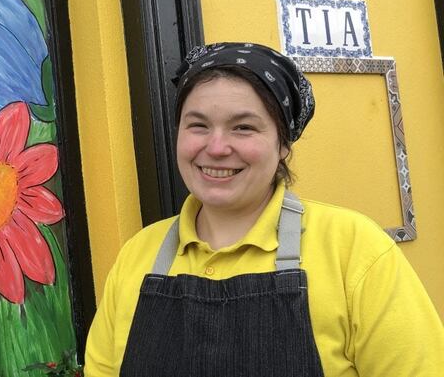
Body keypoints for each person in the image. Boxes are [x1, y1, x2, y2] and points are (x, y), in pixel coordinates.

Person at [83, 42, 444, 376]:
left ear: (283, 143)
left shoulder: (353, 249)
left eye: (243, 127)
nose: (217, 147)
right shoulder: (138, 255)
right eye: (198, 126)